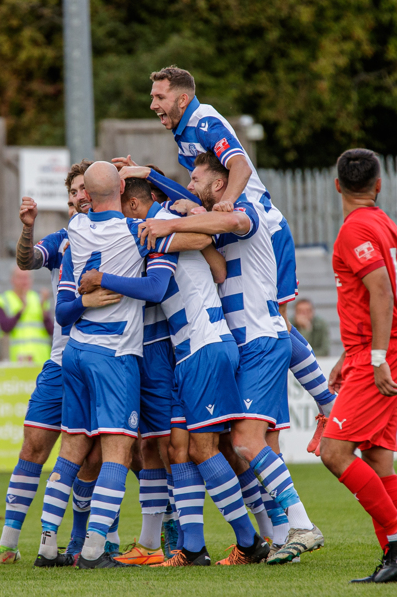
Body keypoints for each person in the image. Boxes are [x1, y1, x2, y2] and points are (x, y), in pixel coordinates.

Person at [136, 152, 324, 564]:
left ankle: (298, 527)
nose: (190, 183)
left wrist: (169, 221)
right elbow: (210, 242)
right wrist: (153, 180)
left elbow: (221, 226)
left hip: (256, 342)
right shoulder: (214, 218)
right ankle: (279, 538)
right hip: (244, 345)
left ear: (221, 184)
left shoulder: (246, 210)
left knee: (241, 443)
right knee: (250, 449)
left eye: (197, 176)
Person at [140, 65, 337, 448]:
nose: (153, 105)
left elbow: (241, 166)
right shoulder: (185, 134)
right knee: (258, 322)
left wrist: (228, 200)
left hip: (259, 224)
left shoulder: (203, 119)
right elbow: (196, 193)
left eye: (159, 97)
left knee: (274, 323)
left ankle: (327, 406)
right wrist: (148, 175)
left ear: (181, 98)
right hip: (231, 227)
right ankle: (302, 413)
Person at [81, 172, 269, 568]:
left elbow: (154, 288)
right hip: (188, 352)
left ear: (133, 205)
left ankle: (252, 541)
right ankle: (193, 549)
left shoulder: (157, 229)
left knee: (204, 448)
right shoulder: (168, 224)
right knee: (177, 448)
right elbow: (212, 260)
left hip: (205, 347)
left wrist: (102, 278)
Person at [0, 160, 108, 567]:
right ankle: (7, 545)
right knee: (34, 446)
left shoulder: (119, 233)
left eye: (82, 190)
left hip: (104, 358)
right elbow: (26, 260)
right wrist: (28, 227)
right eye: (71, 193)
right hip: (59, 363)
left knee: (92, 457)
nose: (76, 198)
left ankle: (80, 544)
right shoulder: (62, 239)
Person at [321, 149, 397, 584]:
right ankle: (396, 561)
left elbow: (380, 292)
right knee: (378, 456)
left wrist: (374, 357)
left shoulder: (355, 228)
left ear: (337, 184)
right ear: (378, 185)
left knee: (334, 452)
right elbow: (372, 298)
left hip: (381, 354)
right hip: (380, 349)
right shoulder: (387, 225)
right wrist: (351, 353)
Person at [0, 268, 53, 364]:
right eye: (20, 277)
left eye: (27, 278)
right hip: (15, 359)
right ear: (12, 279)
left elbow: (51, 330)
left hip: (41, 358)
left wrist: (44, 311)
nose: (24, 281)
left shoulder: (39, 299)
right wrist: (20, 310)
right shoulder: (2, 300)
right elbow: (5, 327)